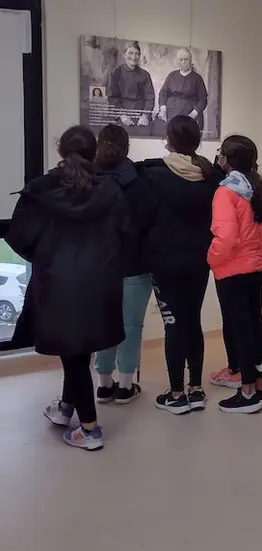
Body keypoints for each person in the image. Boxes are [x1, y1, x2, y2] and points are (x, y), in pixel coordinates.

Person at [6, 125, 131, 450]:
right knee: (78, 350)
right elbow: (127, 234)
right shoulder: (111, 191)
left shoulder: (40, 190)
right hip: (101, 281)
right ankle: (65, 409)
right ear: (94, 152)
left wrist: (47, 257)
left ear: (61, 150)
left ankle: (89, 429)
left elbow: (18, 237)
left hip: (58, 281)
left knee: (73, 354)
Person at [142, 115, 220, 415]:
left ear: (169, 139)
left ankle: (176, 393)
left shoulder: (153, 175)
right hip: (200, 261)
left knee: (173, 325)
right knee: (192, 321)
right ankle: (197, 389)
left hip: (165, 262)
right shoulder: (209, 176)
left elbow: (142, 218)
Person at [210, 134, 262, 414]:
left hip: (233, 269)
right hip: (257, 266)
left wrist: (212, 259)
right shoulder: (258, 187)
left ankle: (248, 390)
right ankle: (258, 388)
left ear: (226, 160)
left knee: (240, 329)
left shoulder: (226, 192)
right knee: (252, 324)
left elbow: (225, 238)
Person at [92, 124, 153, 405]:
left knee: (102, 321)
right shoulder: (138, 180)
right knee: (131, 325)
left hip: (98, 264)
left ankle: (103, 384)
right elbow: (146, 224)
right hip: (133, 262)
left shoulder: (88, 178)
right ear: (127, 146)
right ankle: (126, 386)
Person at [107, 41, 155, 134]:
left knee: (145, 134)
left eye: (137, 54)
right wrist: (122, 115)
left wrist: (145, 115)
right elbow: (112, 98)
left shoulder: (145, 75)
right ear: (124, 54)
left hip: (140, 113)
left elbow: (150, 98)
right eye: (130, 53)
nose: (134, 57)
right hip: (121, 112)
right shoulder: (115, 73)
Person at [157, 47, 209, 130]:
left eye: (186, 59)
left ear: (191, 60)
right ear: (177, 61)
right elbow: (163, 93)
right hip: (172, 114)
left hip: (191, 115)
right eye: (181, 60)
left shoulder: (197, 78)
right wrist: (163, 109)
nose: (183, 62)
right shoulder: (172, 76)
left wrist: (193, 114)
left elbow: (203, 100)